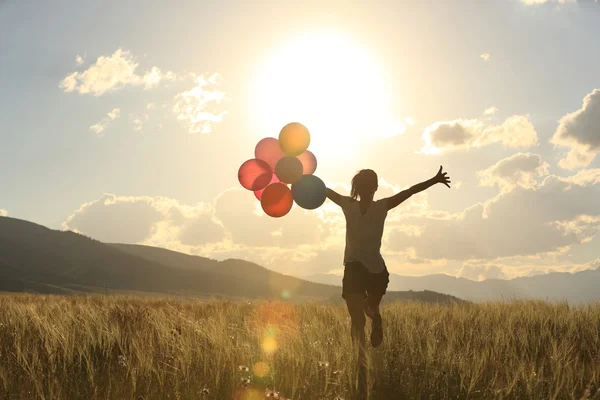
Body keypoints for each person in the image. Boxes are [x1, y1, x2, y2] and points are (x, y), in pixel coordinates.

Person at [326, 166, 451, 348]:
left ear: (356, 188)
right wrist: (434, 180)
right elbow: (409, 192)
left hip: (354, 268)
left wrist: (298, 175)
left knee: (357, 320)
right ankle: (376, 317)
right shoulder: (382, 206)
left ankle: (360, 360)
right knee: (370, 308)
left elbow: (324, 191)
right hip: (377, 270)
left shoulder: (348, 205)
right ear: (375, 187)